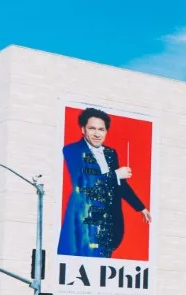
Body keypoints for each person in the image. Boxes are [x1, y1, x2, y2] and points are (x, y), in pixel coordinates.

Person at [58, 108, 151, 259]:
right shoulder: (71, 150)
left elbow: (120, 186)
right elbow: (83, 182)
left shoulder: (110, 153)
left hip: (109, 224)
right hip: (84, 222)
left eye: (101, 129)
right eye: (92, 128)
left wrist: (141, 207)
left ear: (106, 131)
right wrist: (115, 174)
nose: (97, 133)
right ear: (83, 129)